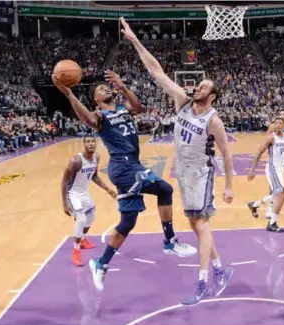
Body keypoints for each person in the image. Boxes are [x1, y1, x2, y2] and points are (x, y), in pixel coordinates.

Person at [119, 17, 234, 305]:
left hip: (201, 173)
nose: (198, 88)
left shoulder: (214, 120)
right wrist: (134, 40)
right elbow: (155, 70)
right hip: (182, 170)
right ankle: (220, 270)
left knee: (202, 225)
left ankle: (203, 281)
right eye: (199, 85)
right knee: (195, 224)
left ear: (213, 95)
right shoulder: (182, 101)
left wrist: (229, 185)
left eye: (204, 86)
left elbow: (227, 154)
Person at [52, 69, 197, 291]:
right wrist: (69, 94)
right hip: (123, 167)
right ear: (97, 100)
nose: (105, 89)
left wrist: (121, 85)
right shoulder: (100, 116)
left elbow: (138, 107)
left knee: (127, 222)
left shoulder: (122, 108)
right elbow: (89, 120)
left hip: (133, 165)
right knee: (165, 189)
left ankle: (101, 263)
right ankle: (169, 241)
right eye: (100, 89)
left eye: (106, 86)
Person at [61, 135, 118, 266]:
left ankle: (83, 239)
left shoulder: (96, 157)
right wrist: (64, 203)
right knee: (81, 220)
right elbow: (64, 182)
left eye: (93, 141)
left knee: (91, 217)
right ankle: (76, 252)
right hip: (73, 193)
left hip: (84, 192)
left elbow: (95, 176)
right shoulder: (76, 161)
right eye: (88, 142)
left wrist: (108, 189)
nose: (91, 144)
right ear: (84, 144)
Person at [247, 117, 284, 233]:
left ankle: (254, 204)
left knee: (278, 195)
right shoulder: (271, 137)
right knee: (281, 194)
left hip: (280, 169)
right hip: (272, 168)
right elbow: (259, 152)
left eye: (280, 123)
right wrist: (252, 170)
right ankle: (272, 223)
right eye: (276, 123)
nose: (278, 125)